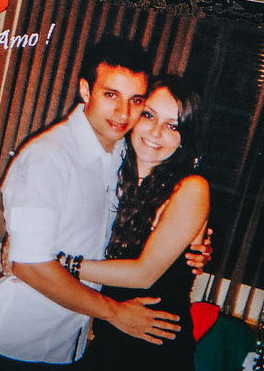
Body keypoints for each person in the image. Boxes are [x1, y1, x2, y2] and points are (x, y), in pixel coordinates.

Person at [0, 37, 182, 369]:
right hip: (20, 343)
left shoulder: (121, 155)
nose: (123, 112)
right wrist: (115, 313)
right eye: (110, 95)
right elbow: (30, 266)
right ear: (86, 91)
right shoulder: (48, 158)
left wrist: (197, 239)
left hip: (73, 342)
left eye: (135, 100)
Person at [76, 76, 209, 370]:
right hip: (109, 338)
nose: (155, 132)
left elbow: (144, 274)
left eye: (172, 126)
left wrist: (56, 264)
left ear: (185, 137)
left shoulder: (190, 188)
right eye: (149, 115)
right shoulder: (113, 172)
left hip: (156, 350)